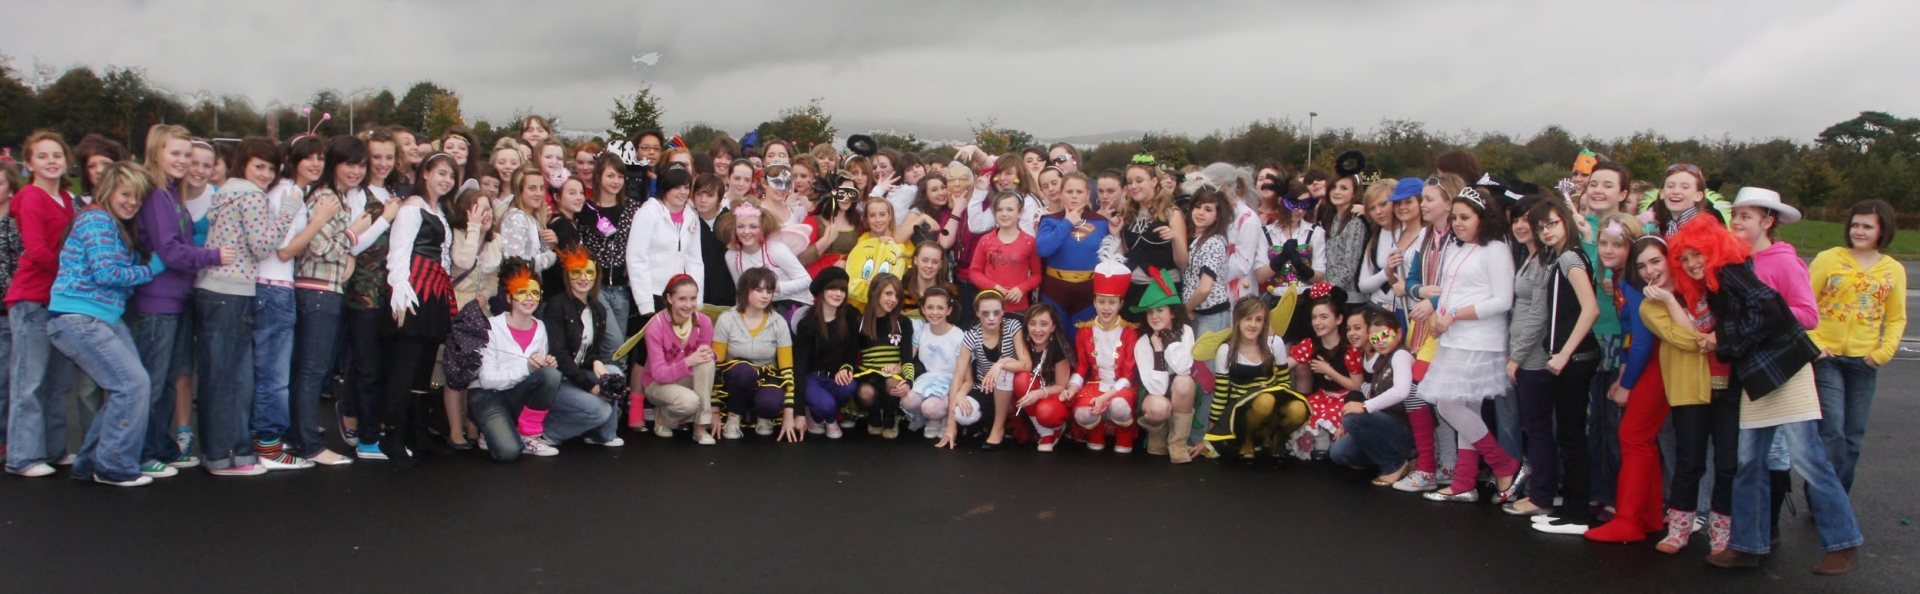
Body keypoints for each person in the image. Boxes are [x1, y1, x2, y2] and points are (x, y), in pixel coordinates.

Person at [1667, 218, 1863, 575]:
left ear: (1713, 250)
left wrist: (1723, 339)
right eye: (1685, 258)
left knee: (1809, 461)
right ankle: (1748, 546)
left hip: (1784, 370)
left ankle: (1843, 543)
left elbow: (1769, 309)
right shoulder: (1717, 279)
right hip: (1757, 378)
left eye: (1698, 254)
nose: (1692, 263)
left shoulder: (1731, 272)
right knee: (1749, 464)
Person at [44, 162, 166, 486]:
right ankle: (113, 467)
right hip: (81, 317)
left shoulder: (111, 223)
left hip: (101, 317)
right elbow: (107, 273)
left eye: (137, 197)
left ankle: (90, 463)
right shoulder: (97, 220)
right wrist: (152, 268)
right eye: (126, 194)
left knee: (128, 386)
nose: (132, 202)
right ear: (109, 190)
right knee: (132, 385)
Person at [128, 125, 230, 475]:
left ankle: (159, 445)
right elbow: (170, 250)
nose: (183, 160)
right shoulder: (157, 194)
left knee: (169, 380)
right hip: (157, 301)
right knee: (153, 382)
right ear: (156, 152)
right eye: (175, 153)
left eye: (187, 154)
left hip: (175, 300)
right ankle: (142, 453)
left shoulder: (172, 192)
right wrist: (213, 255)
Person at [1415, 185, 1523, 504]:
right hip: (1453, 336)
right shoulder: (1457, 247)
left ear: (1483, 218)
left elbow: (1502, 300)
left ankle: (1503, 464)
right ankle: (1464, 481)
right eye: (1455, 217)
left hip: (1480, 340)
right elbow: (1449, 291)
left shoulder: (1496, 249)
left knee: (1448, 404)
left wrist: (1453, 316)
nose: (1458, 223)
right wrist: (1440, 318)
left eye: (1466, 217)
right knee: (1468, 408)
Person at [1509, 198, 1603, 535]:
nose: (1546, 231)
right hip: (1570, 358)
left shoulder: (1569, 258)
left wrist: (1563, 352)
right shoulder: (1562, 257)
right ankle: (1573, 510)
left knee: (1572, 438)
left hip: (1575, 359)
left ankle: (1577, 516)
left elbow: (1590, 309)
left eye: (1552, 223)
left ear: (1566, 221)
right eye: (1541, 227)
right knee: (1568, 435)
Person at [1807, 199, 1905, 494]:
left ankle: (1839, 497)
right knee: (1832, 431)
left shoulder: (1893, 270)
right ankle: (1824, 499)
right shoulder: (1828, 259)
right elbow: (1805, 303)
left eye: (1867, 226)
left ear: (1882, 230)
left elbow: (1896, 317)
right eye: (1855, 225)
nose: (1859, 231)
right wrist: (1816, 344)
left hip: (1865, 362)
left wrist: (1883, 353)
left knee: (1853, 436)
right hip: (1828, 358)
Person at [283, 135, 364, 467]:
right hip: (316, 291)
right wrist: (354, 232)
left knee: (310, 369)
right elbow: (322, 248)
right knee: (311, 370)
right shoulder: (326, 197)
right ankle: (309, 444)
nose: (356, 171)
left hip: (325, 290)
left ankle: (300, 433)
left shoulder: (337, 197)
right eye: (349, 164)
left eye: (361, 165)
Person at [379, 152, 462, 467]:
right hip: (415, 291)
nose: (446, 180)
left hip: (435, 293)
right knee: (405, 367)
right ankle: (393, 437)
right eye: (441, 173)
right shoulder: (412, 207)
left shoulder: (439, 210)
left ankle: (417, 434)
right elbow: (399, 252)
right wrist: (400, 293)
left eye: (451, 175)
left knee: (423, 370)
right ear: (425, 173)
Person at [7, 132, 82, 477]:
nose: (51, 161)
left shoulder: (67, 199)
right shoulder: (30, 197)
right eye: (42, 156)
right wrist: (73, 274)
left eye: (57, 155)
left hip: (60, 300)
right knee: (30, 381)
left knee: (58, 383)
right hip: (33, 299)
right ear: (29, 164)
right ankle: (23, 457)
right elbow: (37, 251)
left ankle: (54, 448)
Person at [624, 163, 703, 418]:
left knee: (675, 351)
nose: (682, 192)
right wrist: (646, 305)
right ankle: (636, 408)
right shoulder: (648, 213)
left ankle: (665, 408)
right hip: (651, 293)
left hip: (679, 296)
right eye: (676, 187)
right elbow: (636, 258)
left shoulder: (691, 216)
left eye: (686, 187)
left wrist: (696, 300)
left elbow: (694, 259)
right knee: (644, 352)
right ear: (664, 188)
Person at [1199, 295, 1308, 460]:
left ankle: (1276, 438)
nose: (1253, 324)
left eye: (1259, 319)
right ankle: (1246, 441)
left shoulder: (1275, 343)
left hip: (1272, 407)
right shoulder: (1226, 350)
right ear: (1237, 320)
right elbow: (1221, 395)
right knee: (1264, 400)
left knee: (1298, 409)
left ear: (1265, 323)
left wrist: (1273, 392)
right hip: (1241, 415)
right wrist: (1210, 437)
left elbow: (1285, 381)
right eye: (1248, 318)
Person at [935, 290, 1031, 450]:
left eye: (996, 313)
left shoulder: (1013, 327)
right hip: (985, 388)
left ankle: (997, 429)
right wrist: (951, 425)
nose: (991, 318)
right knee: (961, 414)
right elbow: (958, 375)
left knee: (1004, 373)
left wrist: (999, 365)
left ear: (1003, 311)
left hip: (1011, 389)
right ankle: (988, 417)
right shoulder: (971, 335)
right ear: (977, 313)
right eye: (985, 313)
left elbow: (1026, 364)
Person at [1334, 308, 1419, 485]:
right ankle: (1392, 457)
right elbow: (1370, 391)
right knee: (1339, 453)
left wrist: (1365, 407)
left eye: (1385, 335)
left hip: (1405, 426)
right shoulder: (1381, 359)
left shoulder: (1401, 355)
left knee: (1354, 419)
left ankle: (1394, 464)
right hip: (1386, 424)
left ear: (1399, 333)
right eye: (1373, 337)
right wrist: (1355, 402)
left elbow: (1401, 391)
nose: (1379, 341)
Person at [711, 268, 794, 439]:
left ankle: (763, 415)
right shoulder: (726, 319)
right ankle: (734, 416)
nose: (765, 296)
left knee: (770, 403)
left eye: (769, 291)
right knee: (744, 370)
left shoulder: (779, 322)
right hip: (735, 380)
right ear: (744, 290)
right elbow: (715, 366)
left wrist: (789, 415)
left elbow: (787, 370)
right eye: (758, 290)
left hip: (766, 378)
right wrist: (714, 412)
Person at [1068, 263, 1141, 453]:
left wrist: (1106, 397)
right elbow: (1081, 367)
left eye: (1112, 302)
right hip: (1095, 384)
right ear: (1094, 302)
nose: (1106, 308)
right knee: (1082, 413)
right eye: (1101, 301)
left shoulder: (1130, 333)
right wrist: (1072, 388)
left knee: (1119, 406)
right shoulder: (1084, 331)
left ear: (1120, 304)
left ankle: (1124, 433)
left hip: (1122, 387)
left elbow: (1129, 374)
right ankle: (1096, 431)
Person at [641, 274, 717, 444]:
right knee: (689, 402)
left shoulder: (703, 322)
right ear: (669, 298)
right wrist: (688, 361)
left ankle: (700, 425)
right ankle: (663, 418)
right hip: (657, 383)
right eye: (682, 299)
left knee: (706, 362)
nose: (689, 305)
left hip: (686, 378)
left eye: (693, 298)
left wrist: (709, 353)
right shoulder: (656, 326)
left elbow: (705, 363)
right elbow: (659, 374)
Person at [790, 267, 859, 440]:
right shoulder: (807, 324)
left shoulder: (849, 316)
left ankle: (827, 417)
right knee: (826, 404)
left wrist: (847, 367)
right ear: (821, 291)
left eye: (842, 289)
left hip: (835, 378)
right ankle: (821, 414)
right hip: (812, 378)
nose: (838, 294)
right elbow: (799, 367)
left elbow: (852, 350)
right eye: (832, 288)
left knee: (849, 387)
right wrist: (799, 412)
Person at [1292, 290, 1362, 460]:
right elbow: (1286, 364)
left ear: (1339, 319)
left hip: (1346, 397)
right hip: (1322, 396)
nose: (1317, 322)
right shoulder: (1310, 344)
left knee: (1333, 412)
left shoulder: (1350, 348)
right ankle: (1320, 441)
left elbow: (1356, 386)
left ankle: (1334, 443)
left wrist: (1328, 370)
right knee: (1301, 409)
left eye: (1324, 317)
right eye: (1314, 317)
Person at [1035, 172, 1111, 324]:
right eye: (1069, 192)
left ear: (1088, 194)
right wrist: (1067, 223)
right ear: (1061, 194)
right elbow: (1043, 249)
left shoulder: (1102, 222)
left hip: (1089, 292)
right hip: (1055, 292)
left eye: (1079, 192)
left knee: (1083, 336)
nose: (1074, 196)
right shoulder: (1050, 220)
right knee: (1056, 335)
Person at [1118, 162, 1187, 322]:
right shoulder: (1127, 213)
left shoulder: (1171, 213)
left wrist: (1175, 238)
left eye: (1139, 180)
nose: (1133, 186)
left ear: (1154, 181)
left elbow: (1183, 263)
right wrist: (1115, 233)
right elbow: (1126, 255)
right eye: (1129, 182)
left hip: (1162, 290)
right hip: (1133, 289)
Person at [1133, 294, 1197, 463]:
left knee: (1184, 382)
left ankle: (1178, 444)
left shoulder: (1186, 331)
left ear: (1173, 313)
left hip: (1181, 394)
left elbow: (1183, 368)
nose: (1154, 316)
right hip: (1155, 393)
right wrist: (1158, 352)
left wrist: (1170, 342)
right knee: (1159, 407)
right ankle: (1157, 438)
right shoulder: (1142, 343)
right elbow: (1158, 389)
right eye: (1150, 312)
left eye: (1160, 310)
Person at [724, 202, 811, 321]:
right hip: (760, 306)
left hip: (792, 302)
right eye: (740, 226)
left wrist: (775, 287)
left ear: (762, 229)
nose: (746, 231)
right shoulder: (731, 256)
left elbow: (806, 280)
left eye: (753, 227)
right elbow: (741, 290)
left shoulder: (776, 249)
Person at [852, 274, 916, 438]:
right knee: (865, 392)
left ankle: (890, 417)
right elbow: (850, 357)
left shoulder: (903, 322)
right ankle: (874, 416)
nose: (893, 300)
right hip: (868, 376)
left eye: (897, 296)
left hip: (893, 376)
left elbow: (907, 359)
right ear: (875, 292)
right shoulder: (859, 321)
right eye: (888, 293)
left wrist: (908, 381)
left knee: (893, 383)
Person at [965, 192, 1043, 316]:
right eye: (999, 209)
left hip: (1018, 306)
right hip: (990, 305)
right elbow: (974, 271)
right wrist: (993, 287)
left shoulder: (1030, 242)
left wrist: (1021, 289)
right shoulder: (985, 240)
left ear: (1020, 213)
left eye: (1010, 209)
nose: (1004, 214)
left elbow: (1037, 275)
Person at [1013, 302, 1073, 451]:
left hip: (1054, 395)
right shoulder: (1022, 342)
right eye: (1032, 323)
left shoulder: (1059, 347)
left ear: (1053, 327)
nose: (1037, 329)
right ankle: (1045, 433)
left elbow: (1061, 386)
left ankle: (1058, 427)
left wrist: (1039, 393)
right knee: (1020, 379)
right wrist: (1000, 364)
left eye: (1044, 324)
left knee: (1046, 412)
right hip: (1030, 393)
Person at [1183, 187, 1233, 335]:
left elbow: (1205, 287)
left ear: (1217, 216)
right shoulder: (1189, 236)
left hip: (1211, 314)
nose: (1200, 213)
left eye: (1208, 209)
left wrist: (1186, 309)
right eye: (1197, 207)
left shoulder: (1214, 242)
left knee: (1206, 351)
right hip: (1196, 310)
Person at [843, 198, 909, 310]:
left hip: (888, 305)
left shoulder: (900, 239)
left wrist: (894, 247)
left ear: (890, 216)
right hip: (859, 305)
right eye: (872, 215)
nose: (878, 220)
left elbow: (906, 267)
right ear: (866, 219)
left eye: (882, 215)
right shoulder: (861, 241)